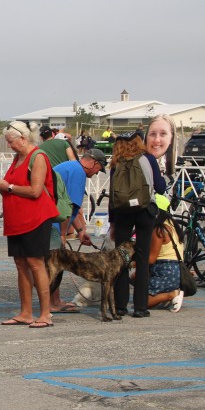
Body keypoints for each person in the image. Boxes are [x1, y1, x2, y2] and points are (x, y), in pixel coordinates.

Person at [0, 121, 59, 328]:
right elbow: (13, 186)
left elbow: (35, 191)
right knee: (20, 264)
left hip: (36, 218)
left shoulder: (38, 157)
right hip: (17, 219)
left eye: (11, 142)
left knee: (36, 263)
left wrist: (8, 186)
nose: (9, 146)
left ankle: (45, 314)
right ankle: (26, 312)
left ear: (23, 139)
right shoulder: (17, 157)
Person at [109, 131, 165, 318]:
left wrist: (112, 223)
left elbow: (112, 194)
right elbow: (160, 188)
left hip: (122, 213)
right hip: (144, 212)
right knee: (142, 258)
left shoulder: (116, 162)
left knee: (122, 258)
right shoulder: (148, 159)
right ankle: (140, 307)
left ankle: (120, 306)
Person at [48, 150, 107, 313]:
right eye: (99, 169)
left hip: (49, 221)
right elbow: (69, 207)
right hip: (53, 224)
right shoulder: (78, 173)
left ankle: (55, 301)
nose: (97, 174)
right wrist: (63, 234)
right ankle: (52, 303)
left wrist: (80, 230)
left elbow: (72, 208)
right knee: (55, 265)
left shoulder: (71, 167)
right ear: (93, 163)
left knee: (55, 264)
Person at [145, 206, 185, 312]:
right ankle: (161, 296)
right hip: (176, 270)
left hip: (166, 270)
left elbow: (151, 259)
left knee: (141, 302)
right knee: (135, 276)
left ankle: (171, 295)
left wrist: (132, 262)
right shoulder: (172, 225)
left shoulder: (159, 230)